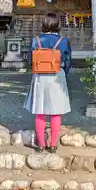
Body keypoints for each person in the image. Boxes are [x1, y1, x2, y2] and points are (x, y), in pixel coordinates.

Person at [24, 13, 72, 153]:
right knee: (55, 112)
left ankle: (40, 144)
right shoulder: (63, 41)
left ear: (44, 24)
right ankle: (53, 144)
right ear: (58, 25)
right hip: (57, 76)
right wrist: (63, 73)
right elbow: (68, 61)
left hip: (39, 76)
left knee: (40, 111)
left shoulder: (36, 40)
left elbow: (30, 60)